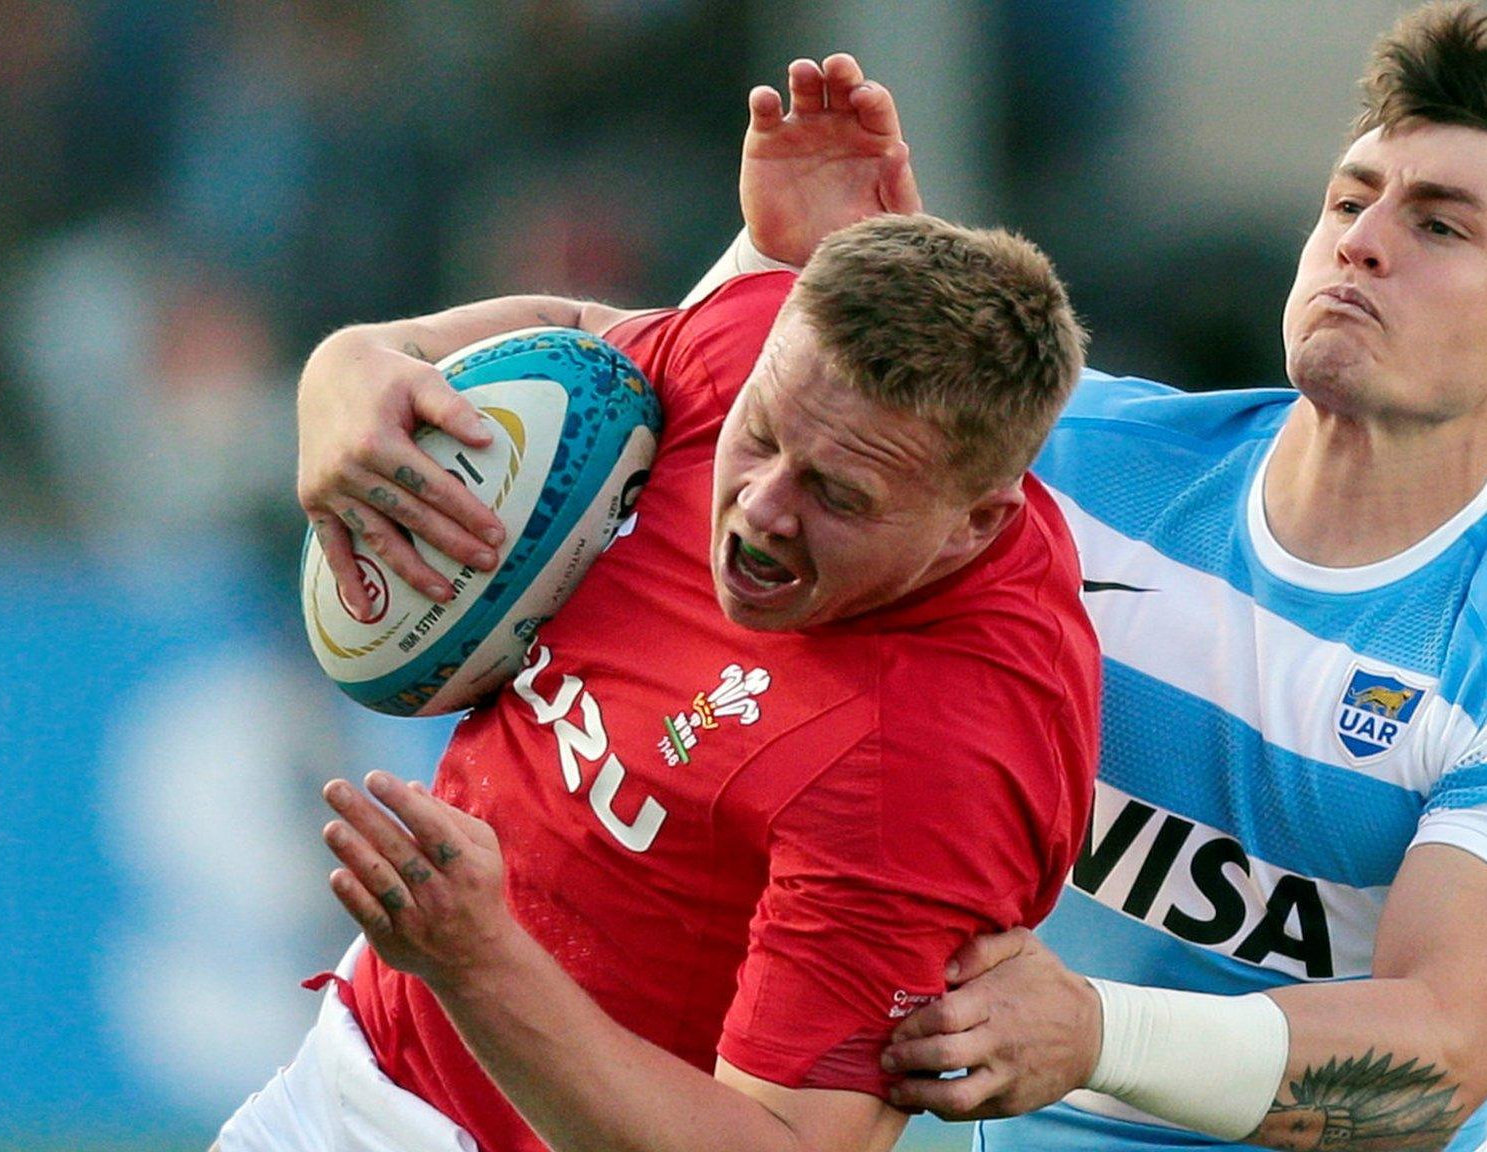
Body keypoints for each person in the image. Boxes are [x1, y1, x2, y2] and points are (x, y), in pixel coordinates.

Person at [688, 7, 1487, 1152]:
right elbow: (697, 462)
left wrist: (1100, 1037)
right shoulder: (1066, 460)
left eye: (1439, 227)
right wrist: (768, 268)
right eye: (1350, 201)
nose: (1360, 241)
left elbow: (1434, 1060)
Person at [217, 61, 1100, 1152]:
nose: (759, 507)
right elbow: (579, 343)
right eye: (764, 439)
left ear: (974, 523)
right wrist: (354, 369)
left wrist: (478, 960)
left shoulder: (925, 762)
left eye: (836, 494)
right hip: (347, 1073)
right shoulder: (763, 350)